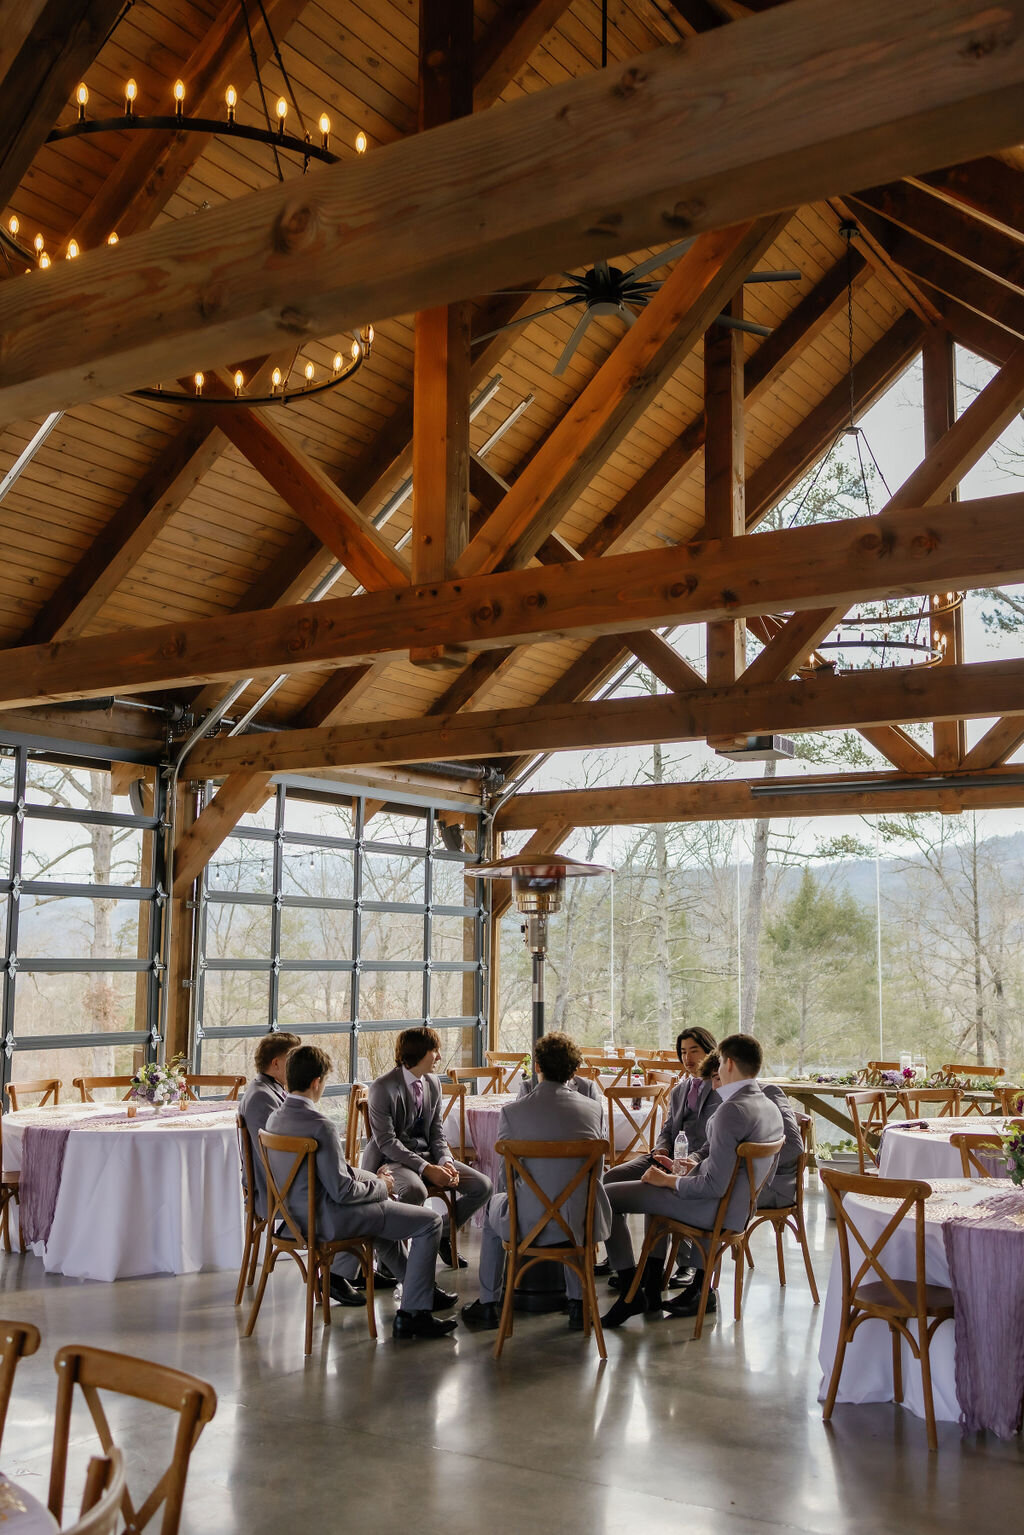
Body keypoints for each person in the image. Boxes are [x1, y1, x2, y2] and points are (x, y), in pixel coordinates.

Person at [266, 1045, 457, 1340]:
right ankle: (413, 1314)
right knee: (429, 1222)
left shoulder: (274, 1120)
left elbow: (329, 1174)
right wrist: (382, 1186)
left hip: (296, 1218)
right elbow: (342, 1191)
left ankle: (419, 1291)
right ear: (317, 1082)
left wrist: (371, 1178)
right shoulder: (321, 1125)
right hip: (331, 1219)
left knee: (382, 1221)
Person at [601, 1033, 784, 1327]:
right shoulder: (768, 1106)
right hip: (737, 1210)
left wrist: (667, 1181)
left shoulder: (731, 1110)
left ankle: (630, 1286)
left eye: (720, 1063)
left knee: (607, 1195)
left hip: (710, 1208)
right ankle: (646, 1284)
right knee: (641, 1192)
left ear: (729, 1063)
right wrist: (690, 1165)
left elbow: (714, 1186)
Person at [462, 1031, 612, 1332]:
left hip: (526, 1224)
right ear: (573, 1070)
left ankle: (489, 1304)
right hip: (580, 1223)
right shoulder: (593, 1110)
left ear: (537, 1067)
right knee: (573, 1199)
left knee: (494, 1209)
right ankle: (578, 1304)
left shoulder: (513, 1112)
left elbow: (506, 1178)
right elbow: (597, 1172)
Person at [361, 1026, 492, 1268]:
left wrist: (446, 1162)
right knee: (415, 1191)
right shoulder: (382, 1088)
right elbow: (387, 1142)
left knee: (482, 1186)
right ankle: (394, 1260)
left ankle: (440, 1233)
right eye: (435, 1050)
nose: (440, 1057)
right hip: (392, 1160)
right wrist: (426, 1169)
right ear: (418, 1053)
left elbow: (436, 1132)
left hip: (430, 1156)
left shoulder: (433, 1083)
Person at [604, 1027, 719, 1290]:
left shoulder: (720, 1087)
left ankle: (685, 1262)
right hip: (666, 1158)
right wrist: (661, 1149)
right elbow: (667, 1128)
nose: (688, 1058)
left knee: (653, 1188)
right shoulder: (680, 1089)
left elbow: (717, 1141)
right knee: (608, 1179)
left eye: (694, 1051)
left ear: (709, 1051)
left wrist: (690, 1159)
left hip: (697, 1163)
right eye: (682, 1052)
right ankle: (623, 1261)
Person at [239, 1031, 301, 1214]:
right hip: (277, 1194)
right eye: (293, 1060)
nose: (297, 1067)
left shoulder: (269, 1089)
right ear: (276, 1063)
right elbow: (275, 1159)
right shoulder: (261, 1097)